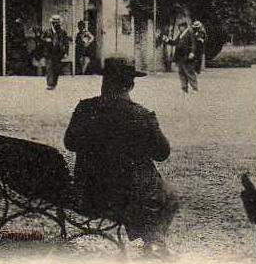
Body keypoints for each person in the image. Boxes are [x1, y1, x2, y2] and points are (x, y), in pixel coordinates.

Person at [64, 57, 178, 257]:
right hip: (128, 198)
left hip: (88, 193)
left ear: (104, 82)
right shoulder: (141, 115)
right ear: (130, 84)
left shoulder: (84, 108)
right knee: (169, 195)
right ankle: (154, 242)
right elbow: (162, 153)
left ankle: (153, 241)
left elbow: (70, 143)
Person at [41, 15, 71, 90]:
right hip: (49, 52)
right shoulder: (47, 31)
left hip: (58, 53)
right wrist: (46, 40)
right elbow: (41, 39)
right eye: (54, 23)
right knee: (49, 68)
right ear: (51, 23)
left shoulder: (62, 32)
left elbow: (66, 43)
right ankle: (50, 84)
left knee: (56, 69)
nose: (56, 24)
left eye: (57, 23)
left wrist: (66, 52)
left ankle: (54, 83)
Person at [174, 22, 199, 93]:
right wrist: (167, 40)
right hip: (180, 56)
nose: (179, 28)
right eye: (179, 27)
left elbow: (194, 43)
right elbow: (175, 42)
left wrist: (192, 52)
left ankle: (195, 88)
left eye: (180, 27)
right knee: (181, 72)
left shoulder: (190, 33)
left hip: (187, 55)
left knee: (189, 72)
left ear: (184, 27)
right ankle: (184, 88)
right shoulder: (180, 34)